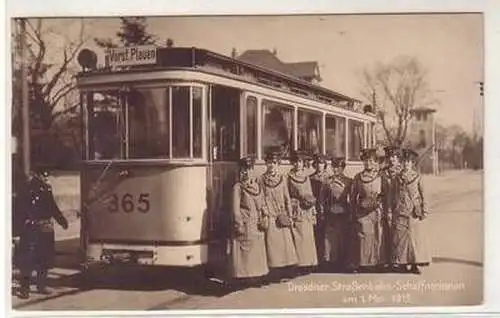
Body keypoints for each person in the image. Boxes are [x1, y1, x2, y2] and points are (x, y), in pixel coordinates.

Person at [16, 169, 69, 299]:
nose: (46, 178)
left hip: (42, 227)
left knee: (43, 259)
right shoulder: (27, 189)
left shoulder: (45, 188)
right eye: (43, 175)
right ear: (36, 174)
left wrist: (62, 220)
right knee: (29, 259)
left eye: (46, 175)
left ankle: (39, 286)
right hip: (31, 228)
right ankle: (26, 289)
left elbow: (52, 206)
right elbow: (19, 209)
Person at [390, 148, 431, 274]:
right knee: (401, 238)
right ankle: (402, 263)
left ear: (413, 163)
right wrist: (391, 210)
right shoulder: (397, 178)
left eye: (409, 162)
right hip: (400, 210)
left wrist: (424, 210)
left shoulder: (417, 177)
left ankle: (415, 264)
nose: (406, 164)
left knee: (414, 238)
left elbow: (424, 194)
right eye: (405, 161)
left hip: (414, 211)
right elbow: (393, 194)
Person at [230, 156, 269, 288]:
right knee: (245, 253)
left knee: (256, 251)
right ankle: (243, 278)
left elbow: (263, 202)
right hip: (245, 223)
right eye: (243, 169)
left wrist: (265, 215)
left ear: (252, 170)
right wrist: (238, 223)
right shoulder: (238, 187)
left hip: (256, 223)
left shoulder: (257, 186)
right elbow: (235, 208)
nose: (246, 172)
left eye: (249, 169)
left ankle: (256, 277)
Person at [260, 149, 298, 282]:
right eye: (269, 163)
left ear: (278, 164)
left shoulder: (282, 179)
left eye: (274, 163)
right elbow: (260, 198)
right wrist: (264, 210)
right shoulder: (261, 179)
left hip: (281, 216)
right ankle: (273, 273)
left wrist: (290, 215)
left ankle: (285, 272)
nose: (271, 165)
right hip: (270, 217)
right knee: (272, 247)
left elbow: (287, 197)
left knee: (285, 246)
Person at [348, 148, 386, 272]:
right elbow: (353, 196)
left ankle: (378, 262)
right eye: (365, 161)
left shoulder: (380, 176)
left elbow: (385, 194)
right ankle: (363, 263)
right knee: (364, 235)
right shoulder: (358, 177)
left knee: (378, 235)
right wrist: (353, 211)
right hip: (362, 211)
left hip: (377, 210)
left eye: (370, 161)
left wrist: (379, 202)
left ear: (375, 162)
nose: (368, 164)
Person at [287, 151, 318, 275]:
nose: (298, 164)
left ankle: (309, 263)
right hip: (296, 210)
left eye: (299, 162)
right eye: (295, 162)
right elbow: (287, 194)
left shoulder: (306, 177)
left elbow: (310, 192)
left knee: (307, 237)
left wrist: (313, 210)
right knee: (298, 237)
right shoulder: (289, 177)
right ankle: (299, 264)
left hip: (307, 210)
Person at [320, 157, 352, 272]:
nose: (336, 169)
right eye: (334, 166)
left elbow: (352, 198)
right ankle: (330, 262)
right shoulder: (327, 181)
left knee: (342, 238)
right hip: (331, 212)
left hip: (343, 212)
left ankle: (342, 262)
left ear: (343, 168)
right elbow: (322, 198)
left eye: (339, 167)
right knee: (330, 239)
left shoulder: (348, 181)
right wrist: (324, 210)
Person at [380, 146, 403, 268]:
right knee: (386, 232)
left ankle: (398, 260)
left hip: (399, 205)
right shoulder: (383, 172)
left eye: (394, 157)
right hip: (384, 205)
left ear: (399, 158)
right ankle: (386, 260)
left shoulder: (402, 172)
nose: (392, 159)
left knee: (398, 233)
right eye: (390, 157)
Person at [308, 153, 329, 267]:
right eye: (317, 163)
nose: (319, 166)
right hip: (314, 208)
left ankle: (325, 260)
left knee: (326, 235)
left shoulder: (329, 178)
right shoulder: (310, 179)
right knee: (316, 234)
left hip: (327, 209)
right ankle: (316, 260)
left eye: (321, 163)